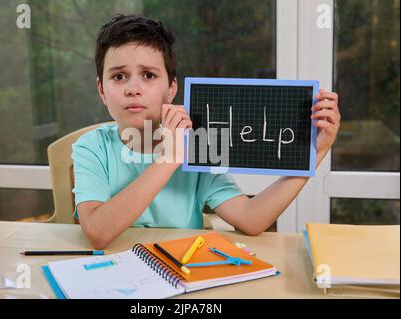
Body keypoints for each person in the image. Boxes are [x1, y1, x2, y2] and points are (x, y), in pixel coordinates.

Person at [72, 14, 341, 249]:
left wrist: (313, 153)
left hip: (179, 271)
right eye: (119, 76)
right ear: (101, 90)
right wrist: (168, 160)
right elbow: (98, 233)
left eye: (149, 76)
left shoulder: (198, 145)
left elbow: (251, 219)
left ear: (171, 89)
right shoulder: (90, 148)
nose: (133, 88)